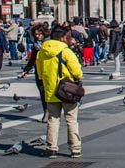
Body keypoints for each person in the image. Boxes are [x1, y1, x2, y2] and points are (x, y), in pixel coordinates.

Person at [36, 25, 83, 159]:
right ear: (63, 37)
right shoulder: (66, 51)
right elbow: (77, 72)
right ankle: (75, 149)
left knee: (53, 120)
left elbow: (39, 74)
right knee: (71, 120)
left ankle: (51, 148)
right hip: (67, 91)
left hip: (51, 91)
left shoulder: (41, 52)